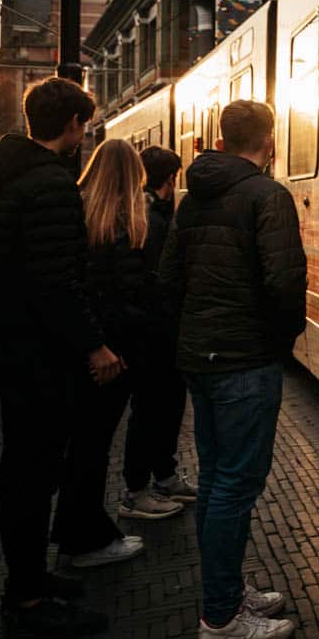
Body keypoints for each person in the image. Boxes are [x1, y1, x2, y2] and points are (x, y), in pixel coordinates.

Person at [159, 99, 307, 639]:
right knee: (233, 490)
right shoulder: (269, 196)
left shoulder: (190, 200)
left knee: (219, 481)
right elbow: (285, 285)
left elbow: (168, 281)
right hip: (246, 362)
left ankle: (226, 593)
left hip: (202, 359)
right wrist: (278, 344)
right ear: (267, 139)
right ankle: (221, 620)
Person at [0, 76, 118, 639]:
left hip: (13, 347)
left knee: (24, 474)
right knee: (33, 477)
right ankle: (28, 601)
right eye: (84, 124)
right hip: (41, 357)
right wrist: (95, 345)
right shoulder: (50, 186)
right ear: (75, 125)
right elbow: (58, 283)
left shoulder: (4, 181)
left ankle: (29, 581)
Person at [52, 139, 175, 563]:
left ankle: (77, 531)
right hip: (115, 351)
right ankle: (85, 539)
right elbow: (129, 293)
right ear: (131, 173)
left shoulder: (82, 212)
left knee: (84, 445)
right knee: (93, 445)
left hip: (91, 346)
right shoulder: (125, 222)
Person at [119, 145, 196, 520]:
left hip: (163, 327)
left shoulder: (153, 211)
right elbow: (156, 277)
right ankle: (136, 490)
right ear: (170, 178)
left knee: (166, 405)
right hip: (155, 330)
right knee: (151, 408)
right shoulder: (152, 217)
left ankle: (164, 475)